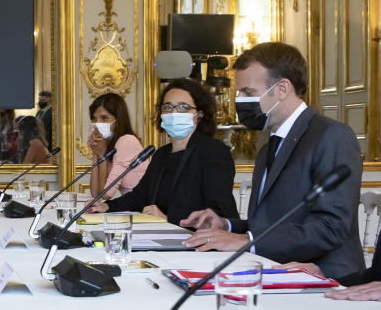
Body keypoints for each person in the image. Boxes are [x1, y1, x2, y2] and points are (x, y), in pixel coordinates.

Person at [181, 42, 363, 280]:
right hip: (273, 270)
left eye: (248, 92)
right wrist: (226, 226)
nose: (239, 100)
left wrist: (246, 241)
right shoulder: (267, 147)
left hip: (326, 278)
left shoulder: (332, 135)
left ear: (282, 89)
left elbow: (330, 226)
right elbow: (273, 224)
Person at [92, 78, 238, 225]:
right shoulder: (162, 154)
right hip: (163, 234)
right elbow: (140, 196)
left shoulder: (215, 152)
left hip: (198, 240)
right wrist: (107, 206)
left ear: (199, 114)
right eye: (167, 107)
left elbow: (218, 211)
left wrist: (168, 218)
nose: (173, 112)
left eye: (183, 107)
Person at [86, 93, 147, 198]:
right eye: (94, 119)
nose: (97, 123)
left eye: (104, 118)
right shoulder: (107, 144)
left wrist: (101, 154)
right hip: (131, 206)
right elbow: (95, 194)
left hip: (144, 208)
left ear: (118, 120)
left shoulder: (127, 141)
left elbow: (105, 194)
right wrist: (96, 153)